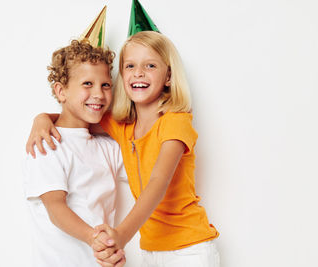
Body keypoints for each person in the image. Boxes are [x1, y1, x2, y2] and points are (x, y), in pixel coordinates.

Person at [26, 31, 220, 267]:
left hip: (189, 247)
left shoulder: (175, 121)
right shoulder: (122, 129)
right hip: (151, 250)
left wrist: (121, 236)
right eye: (130, 66)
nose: (138, 72)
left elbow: (158, 183)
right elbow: (79, 118)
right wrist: (42, 118)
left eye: (150, 65)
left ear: (169, 76)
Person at [23, 39, 126, 267]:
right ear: (61, 91)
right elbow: (56, 208)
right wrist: (94, 237)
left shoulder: (108, 146)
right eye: (87, 84)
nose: (98, 94)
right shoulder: (46, 144)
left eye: (106, 85)